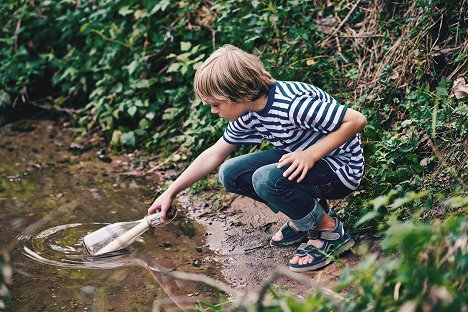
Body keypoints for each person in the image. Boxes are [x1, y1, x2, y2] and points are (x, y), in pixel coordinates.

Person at [148, 44, 367, 272]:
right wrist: (170, 192)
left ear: (238, 94)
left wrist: (311, 154)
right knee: (230, 173)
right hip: (301, 160)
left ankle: (329, 231)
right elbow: (214, 153)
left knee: (265, 178)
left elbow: (356, 120)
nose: (213, 111)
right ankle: (307, 215)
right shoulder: (249, 112)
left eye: (216, 104)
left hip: (339, 169)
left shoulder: (291, 105)